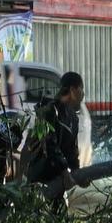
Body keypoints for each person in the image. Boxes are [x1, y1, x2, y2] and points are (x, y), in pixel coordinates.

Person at [24, 71, 86, 202]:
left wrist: (78, 174)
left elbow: (71, 151)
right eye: (81, 89)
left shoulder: (73, 118)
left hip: (58, 180)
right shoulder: (49, 111)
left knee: (60, 220)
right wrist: (65, 172)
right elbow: (49, 144)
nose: (83, 94)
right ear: (73, 90)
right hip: (40, 177)